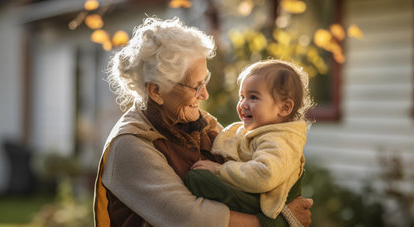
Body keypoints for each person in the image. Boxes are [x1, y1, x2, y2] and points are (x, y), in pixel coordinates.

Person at [93, 16, 313, 227]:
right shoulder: (130, 145)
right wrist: (279, 222)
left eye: (205, 80)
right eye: (195, 86)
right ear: (157, 91)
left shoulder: (202, 126)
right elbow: (189, 219)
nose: (205, 95)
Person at [184, 59, 315, 227]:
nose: (243, 104)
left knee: (198, 180)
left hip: (265, 203)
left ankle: (273, 220)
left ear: (285, 108)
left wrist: (220, 170)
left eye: (253, 97)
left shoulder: (280, 140)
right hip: (256, 196)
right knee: (199, 179)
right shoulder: (262, 131)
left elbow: (264, 175)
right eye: (242, 96)